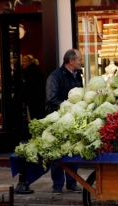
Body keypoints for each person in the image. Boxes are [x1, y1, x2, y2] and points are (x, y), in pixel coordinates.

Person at [45, 49, 84, 195]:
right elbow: (51, 99)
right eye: (80, 59)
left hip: (76, 117)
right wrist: (69, 108)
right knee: (58, 150)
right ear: (71, 61)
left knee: (75, 148)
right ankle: (57, 185)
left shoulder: (78, 75)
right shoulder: (55, 76)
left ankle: (72, 183)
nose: (82, 62)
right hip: (59, 118)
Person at [20, 55, 46, 121]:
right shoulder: (36, 70)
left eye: (25, 61)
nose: (23, 63)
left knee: (33, 116)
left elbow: (28, 87)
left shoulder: (28, 71)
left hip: (33, 99)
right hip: (39, 98)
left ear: (29, 62)